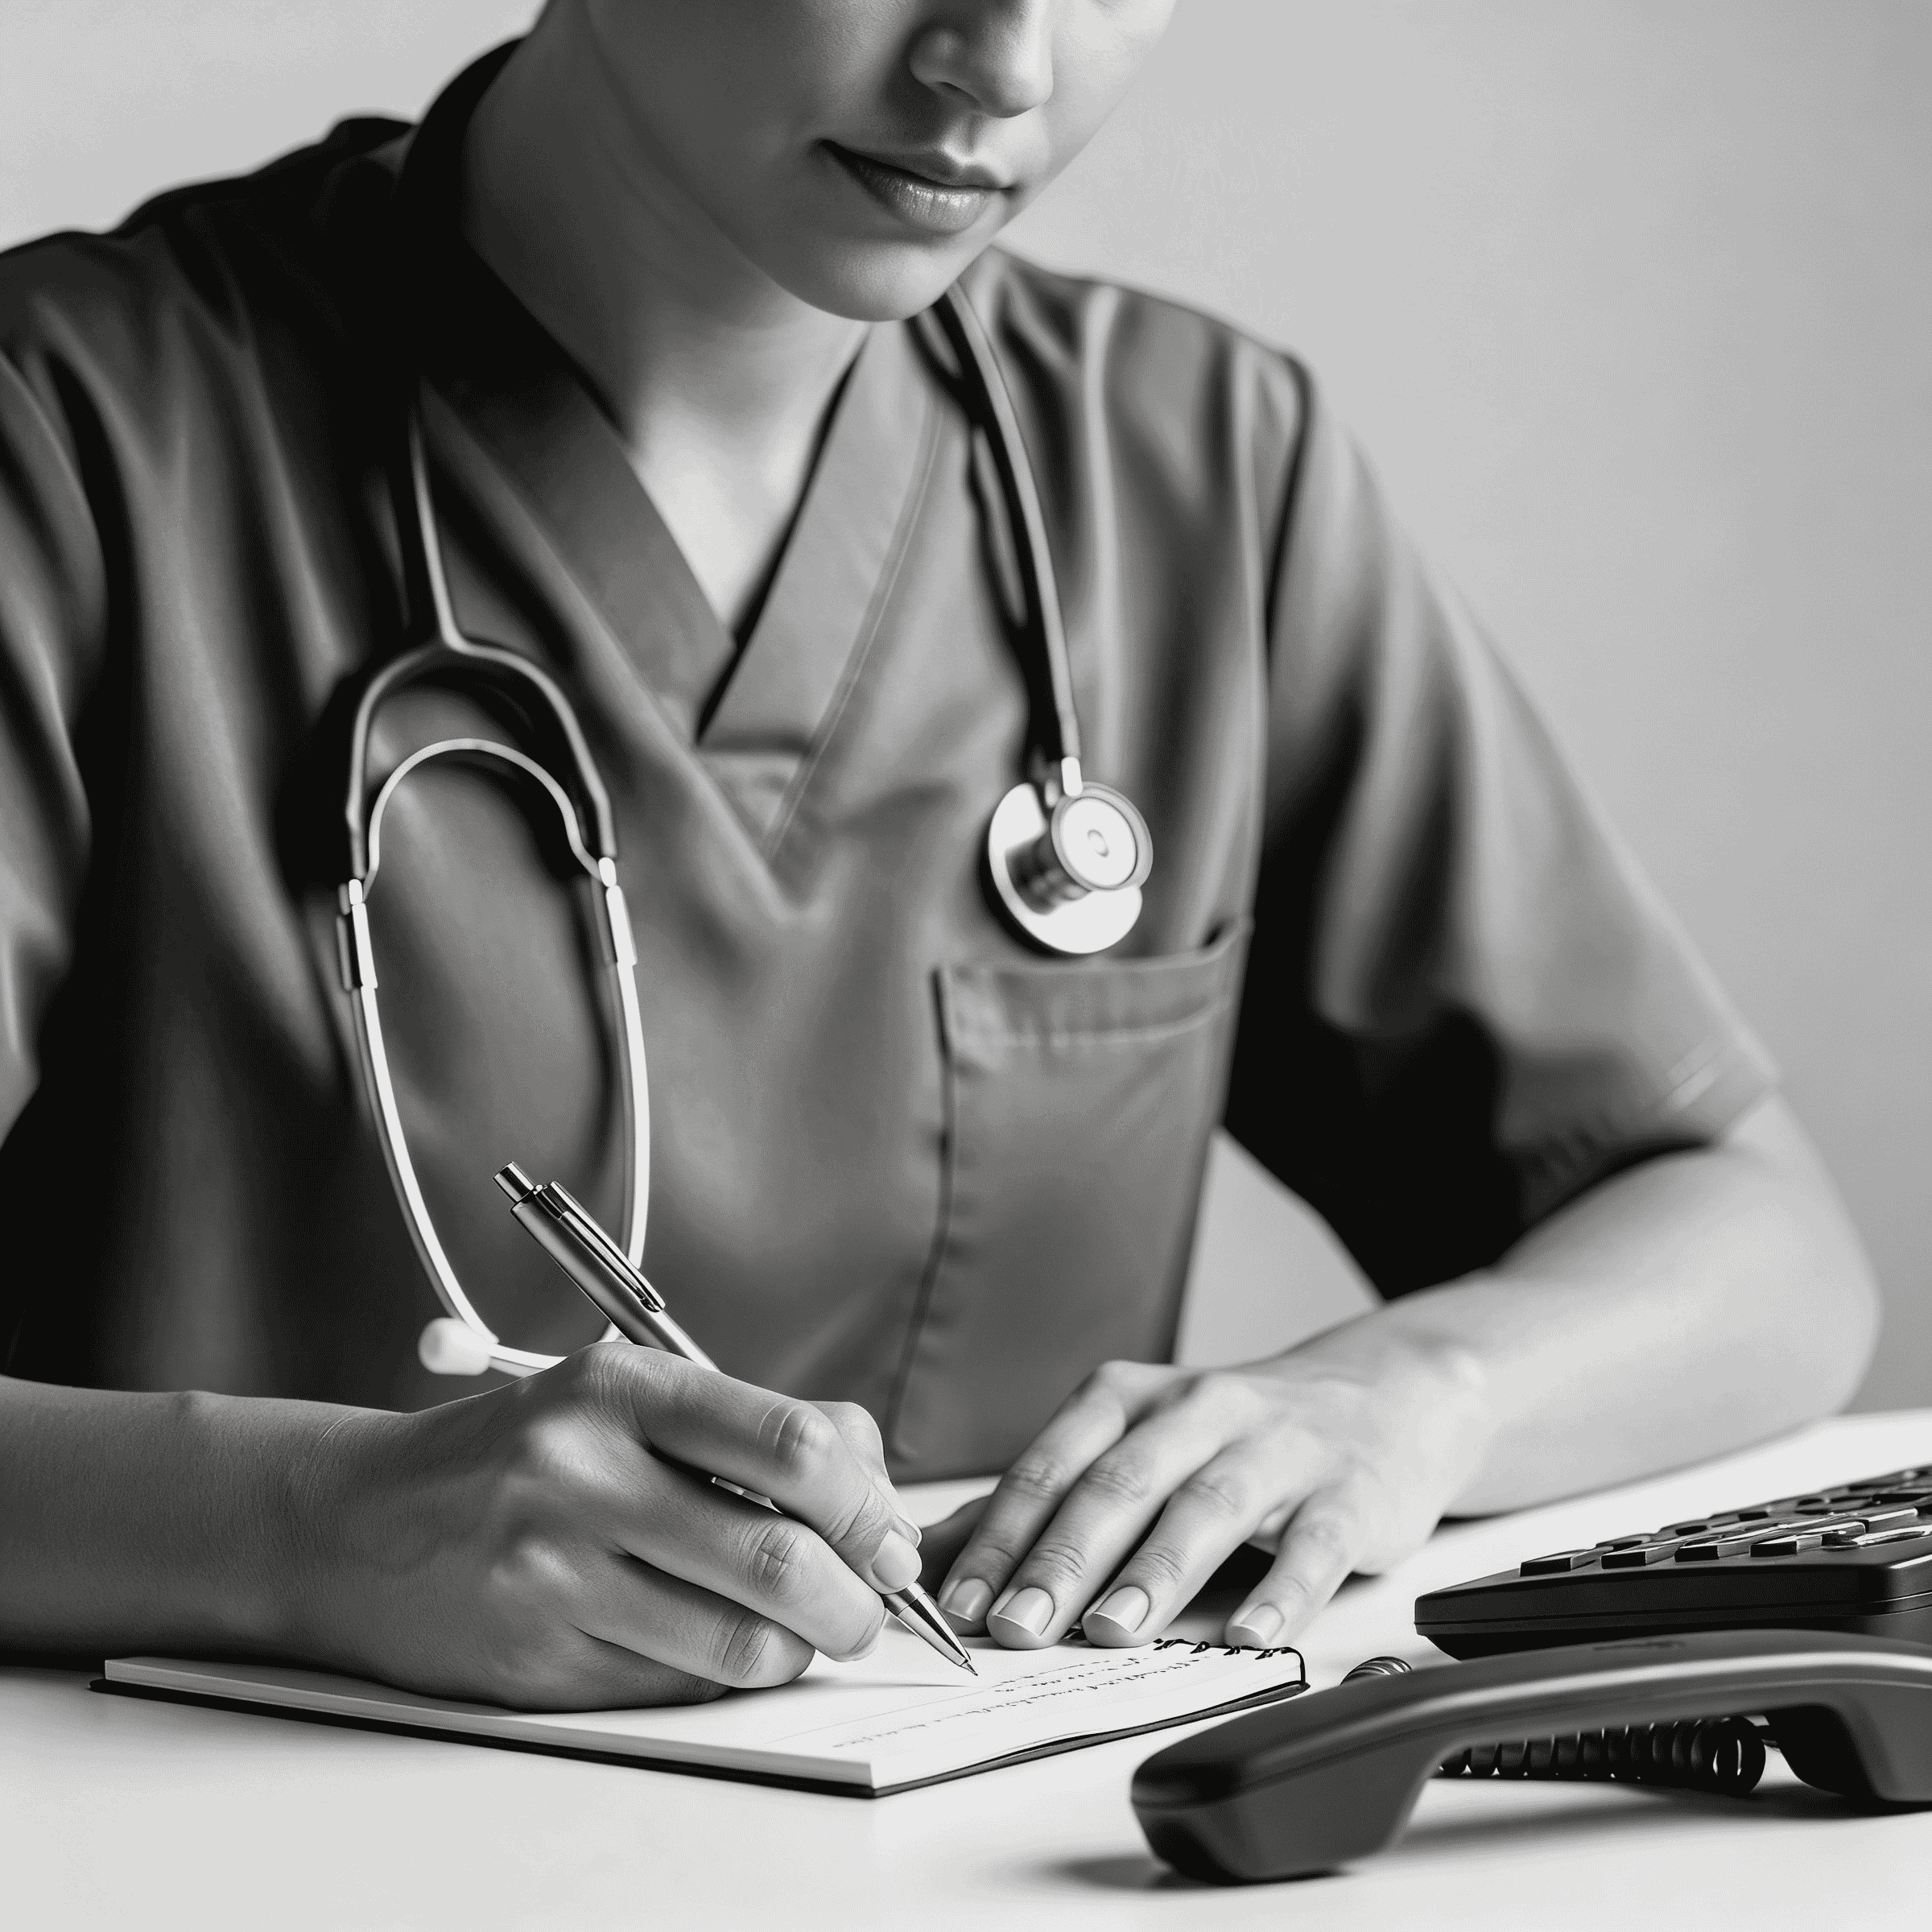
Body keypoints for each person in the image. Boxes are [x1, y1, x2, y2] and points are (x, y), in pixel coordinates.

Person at [0, 1, 1876, 1710]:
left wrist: (1410, 1396)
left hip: (992, 1854)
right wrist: (312, 1530)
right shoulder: (73, 438)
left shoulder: (1195, 471)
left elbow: (1758, 1240)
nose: (1005, 63)